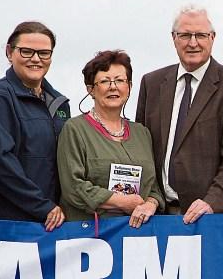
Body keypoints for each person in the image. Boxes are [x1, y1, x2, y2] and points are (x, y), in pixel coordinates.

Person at [135, 5, 223, 223]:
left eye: (200, 35)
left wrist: (212, 202)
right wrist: (150, 200)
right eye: (185, 35)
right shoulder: (151, 84)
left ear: (212, 37)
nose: (193, 43)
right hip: (156, 216)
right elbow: (141, 152)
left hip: (209, 218)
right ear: (173, 38)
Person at [0, 21, 70, 230]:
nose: (36, 59)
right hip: (12, 223)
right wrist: (42, 207)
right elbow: (0, 162)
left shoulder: (60, 103)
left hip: (53, 221)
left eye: (44, 53)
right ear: (9, 52)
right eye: (27, 51)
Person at [57, 50, 164, 226]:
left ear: (129, 86)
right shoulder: (75, 129)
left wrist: (150, 205)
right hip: (91, 237)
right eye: (105, 81)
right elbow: (73, 188)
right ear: (90, 89)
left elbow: (154, 188)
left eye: (120, 80)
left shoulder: (142, 133)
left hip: (136, 236)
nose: (113, 87)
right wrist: (122, 202)